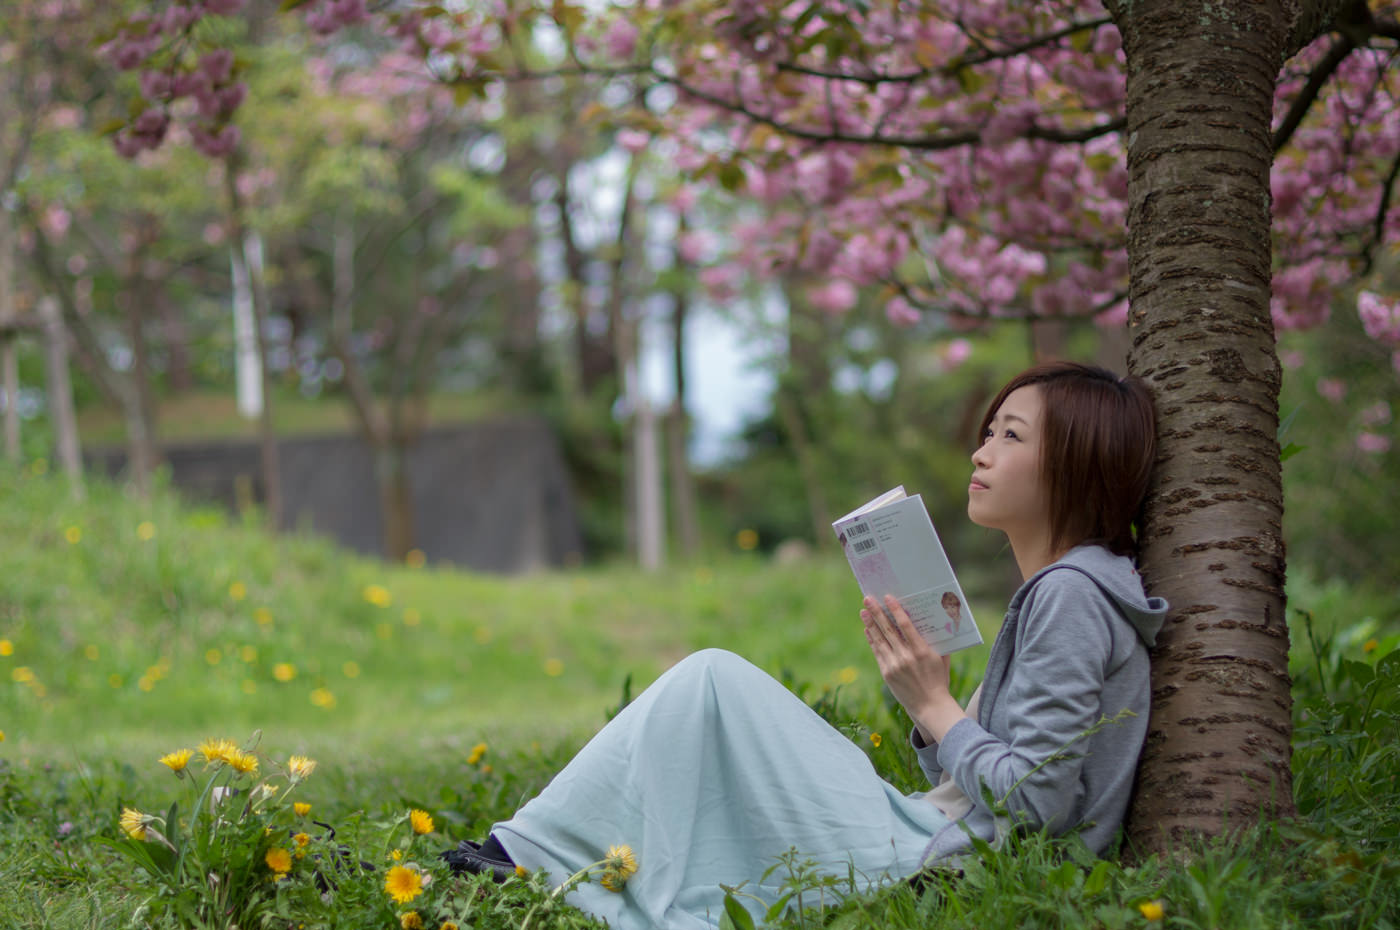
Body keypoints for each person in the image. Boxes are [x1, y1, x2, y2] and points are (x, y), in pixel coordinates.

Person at [443, 362, 1169, 930]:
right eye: (989, 431)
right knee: (711, 694)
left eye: (1012, 436)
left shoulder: (1071, 595)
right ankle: (530, 855)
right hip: (944, 838)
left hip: (946, 864)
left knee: (713, 684)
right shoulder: (1066, 591)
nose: (981, 452)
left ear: (1078, 464)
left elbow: (1039, 804)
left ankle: (520, 857)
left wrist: (938, 706)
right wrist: (929, 715)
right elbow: (997, 781)